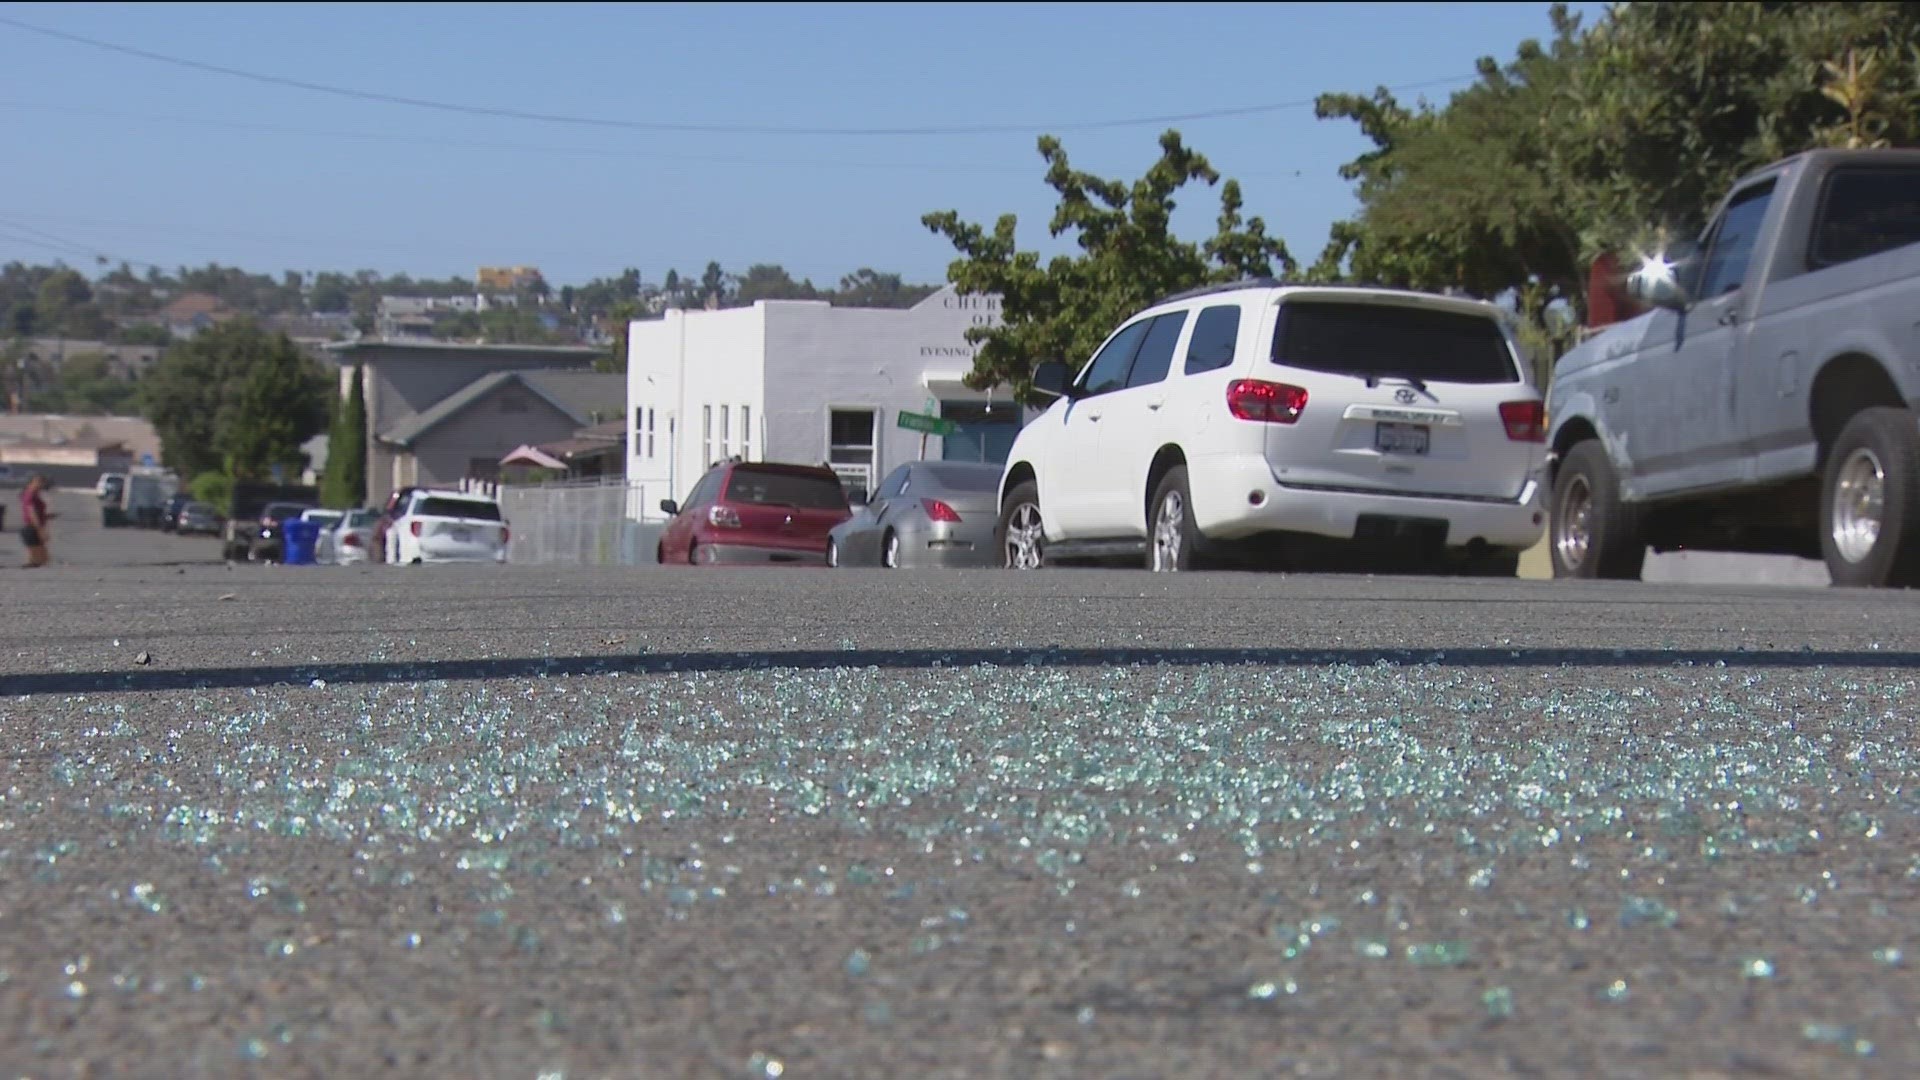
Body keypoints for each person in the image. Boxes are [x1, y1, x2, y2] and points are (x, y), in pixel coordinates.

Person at [20, 473, 54, 568]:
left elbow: (36, 512)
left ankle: (32, 564)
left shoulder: (34, 495)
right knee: (39, 559)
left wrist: (46, 516)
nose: (41, 484)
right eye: (39, 482)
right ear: (31, 483)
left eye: (42, 482)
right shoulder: (30, 495)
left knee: (43, 559)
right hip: (32, 527)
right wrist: (40, 530)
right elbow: (32, 513)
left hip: (34, 526)